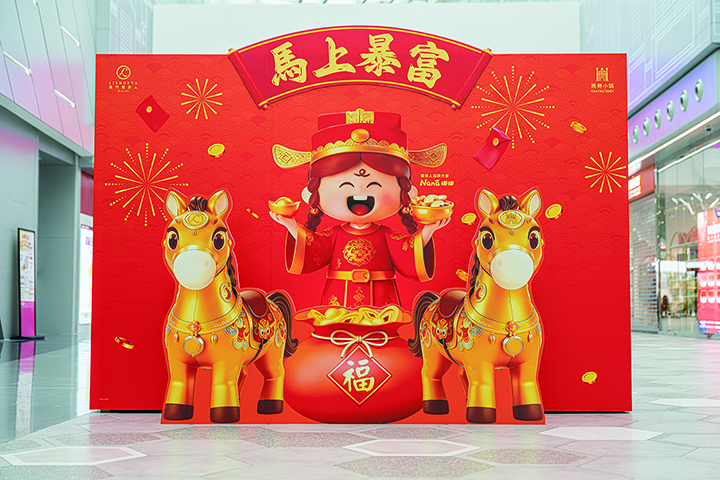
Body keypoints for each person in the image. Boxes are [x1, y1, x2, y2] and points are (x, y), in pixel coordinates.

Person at [270, 109, 450, 308]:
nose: (360, 191)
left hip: (382, 298)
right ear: (311, 195)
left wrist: (428, 231)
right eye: (345, 186)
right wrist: (291, 225)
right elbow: (314, 249)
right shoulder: (334, 235)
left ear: (408, 193)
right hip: (338, 298)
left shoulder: (387, 235)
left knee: (385, 325)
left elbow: (407, 254)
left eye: (375, 185)